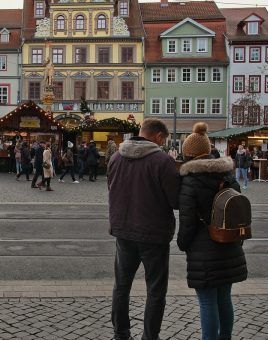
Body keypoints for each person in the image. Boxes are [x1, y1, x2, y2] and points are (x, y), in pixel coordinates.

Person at [108, 118, 180, 340]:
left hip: (123, 230)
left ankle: (121, 333)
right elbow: (176, 200)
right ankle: (150, 336)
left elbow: (111, 189)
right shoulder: (162, 161)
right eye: (164, 140)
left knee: (121, 286)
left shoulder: (115, 157)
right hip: (153, 233)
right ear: (158, 136)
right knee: (156, 290)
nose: (164, 144)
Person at [178, 123, 247, 340]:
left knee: (207, 301)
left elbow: (187, 221)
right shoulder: (228, 176)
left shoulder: (190, 180)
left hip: (203, 247)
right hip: (229, 242)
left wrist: (183, 244)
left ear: (188, 153)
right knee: (224, 299)